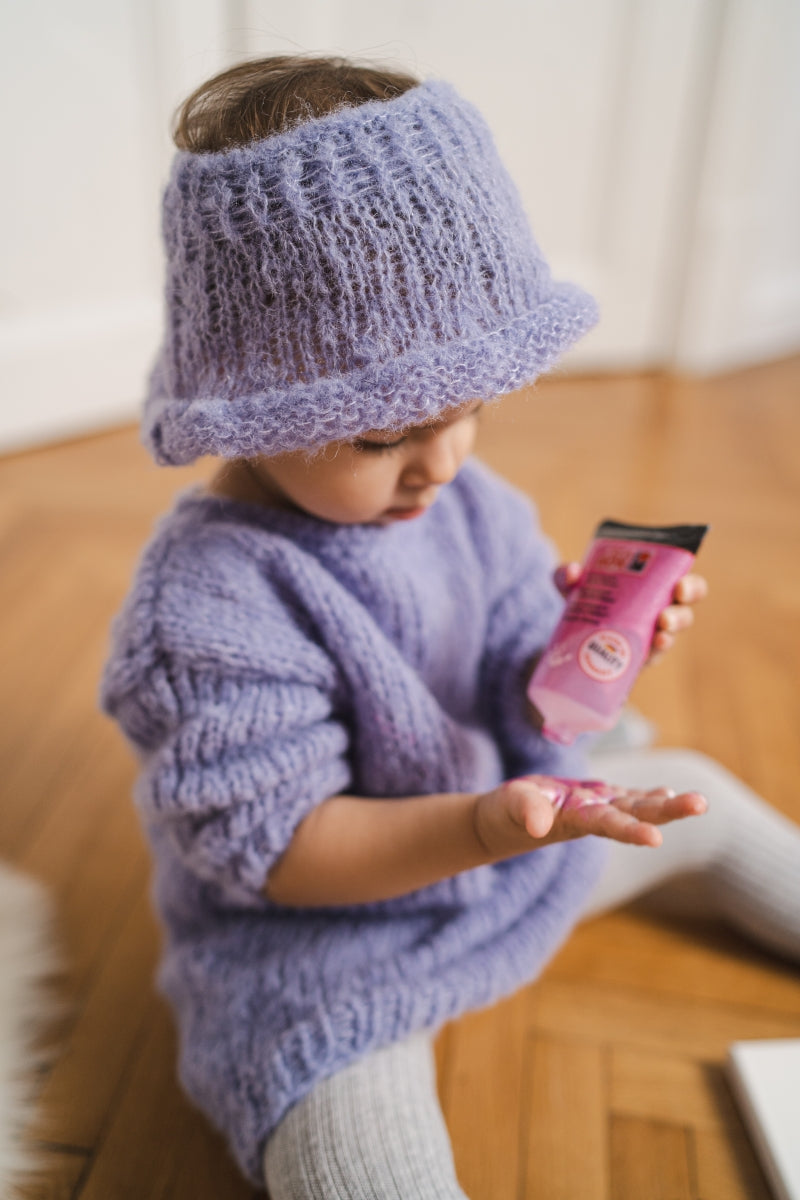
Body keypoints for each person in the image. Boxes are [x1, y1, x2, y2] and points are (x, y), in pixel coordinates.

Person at [100, 56, 800, 1198]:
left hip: (510, 838)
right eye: (379, 438)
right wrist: (484, 825)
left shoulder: (466, 502)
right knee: (358, 1163)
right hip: (323, 947)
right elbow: (280, 856)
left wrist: (596, 650)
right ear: (250, 405)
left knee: (697, 801)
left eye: (466, 409)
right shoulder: (206, 608)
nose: (440, 463)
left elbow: (524, 694)